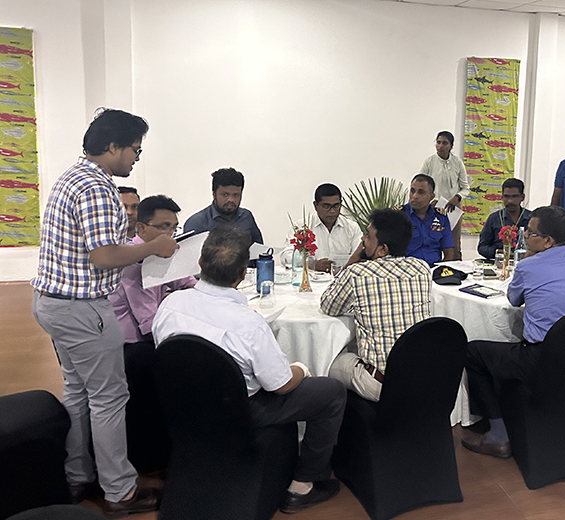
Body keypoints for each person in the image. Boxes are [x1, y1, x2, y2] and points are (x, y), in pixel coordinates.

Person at [31, 108, 178, 515]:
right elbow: (102, 256)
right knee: (110, 398)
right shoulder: (96, 187)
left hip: (54, 303)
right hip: (83, 309)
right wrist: (153, 246)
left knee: (79, 394)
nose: (136, 157)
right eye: (135, 149)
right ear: (112, 146)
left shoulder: (72, 177)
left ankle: (78, 477)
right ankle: (120, 491)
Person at [152, 226, 346, 514]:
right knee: (331, 393)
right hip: (240, 411)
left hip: (183, 406)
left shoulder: (170, 304)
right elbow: (280, 385)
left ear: (201, 263)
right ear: (244, 275)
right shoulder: (248, 323)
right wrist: (302, 369)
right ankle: (302, 486)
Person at [461, 206, 565, 459]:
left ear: (547, 241)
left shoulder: (529, 266)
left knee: (473, 351)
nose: (524, 236)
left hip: (542, 361)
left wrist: (530, 260)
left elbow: (513, 300)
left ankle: (498, 436)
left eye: (531, 233)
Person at [108, 194, 196, 472]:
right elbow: (150, 326)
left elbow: (190, 284)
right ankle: (158, 458)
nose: (169, 235)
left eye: (173, 227)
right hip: (128, 347)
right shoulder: (133, 264)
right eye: (162, 227)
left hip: (148, 336)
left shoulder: (162, 252)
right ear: (142, 228)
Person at [320, 209, 431, 402]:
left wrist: (353, 259)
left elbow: (329, 306)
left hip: (379, 384)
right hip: (420, 379)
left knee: (326, 362)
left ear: (382, 249)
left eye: (368, 236)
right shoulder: (422, 268)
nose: (363, 239)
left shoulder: (357, 273)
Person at [283, 183, 362, 273]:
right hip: (310, 281)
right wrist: (313, 264)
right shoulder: (302, 226)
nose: (332, 211)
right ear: (316, 205)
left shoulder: (352, 228)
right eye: (326, 206)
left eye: (336, 206)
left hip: (343, 280)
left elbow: (360, 257)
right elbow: (286, 257)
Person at [419, 130, 469, 260]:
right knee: (431, 240)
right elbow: (420, 183)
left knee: (453, 245)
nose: (440, 146)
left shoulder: (458, 163)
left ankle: (455, 273)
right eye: (438, 142)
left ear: (451, 146)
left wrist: (457, 198)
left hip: (453, 209)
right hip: (432, 207)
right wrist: (431, 200)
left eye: (444, 143)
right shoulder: (429, 162)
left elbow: (465, 188)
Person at [184, 167, 263, 245]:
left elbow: (259, 249)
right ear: (214, 194)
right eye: (225, 195)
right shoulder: (197, 223)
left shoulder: (246, 216)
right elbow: (189, 256)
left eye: (236, 195)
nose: (231, 200)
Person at [402, 174, 455, 266]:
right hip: (407, 271)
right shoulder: (399, 216)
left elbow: (449, 251)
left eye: (421, 192)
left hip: (434, 270)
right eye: (412, 191)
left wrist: (441, 270)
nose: (415, 196)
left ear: (431, 196)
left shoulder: (440, 217)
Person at [478, 178, 532, 260]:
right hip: (499, 262)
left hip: (526, 262)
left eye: (514, 196)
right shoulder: (494, 218)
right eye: (506, 197)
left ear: (522, 197)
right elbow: (482, 247)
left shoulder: (532, 218)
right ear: (502, 197)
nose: (510, 201)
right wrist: (498, 252)